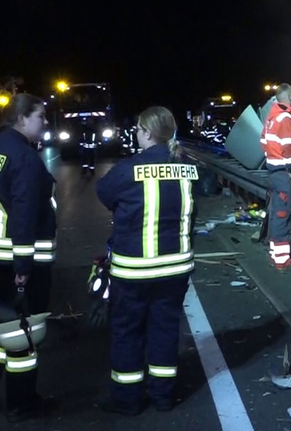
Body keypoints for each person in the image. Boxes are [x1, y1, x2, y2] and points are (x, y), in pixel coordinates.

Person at [96, 106, 195, 415]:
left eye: (138, 129)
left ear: (148, 133)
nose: (136, 134)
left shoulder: (127, 170)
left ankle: (128, 400)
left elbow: (104, 193)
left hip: (133, 270)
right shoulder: (188, 167)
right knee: (165, 330)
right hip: (176, 268)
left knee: (128, 332)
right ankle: (163, 396)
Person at [0, 93, 58, 423]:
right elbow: (23, 214)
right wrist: (23, 266)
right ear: (21, 119)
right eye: (40, 116)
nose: (45, 122)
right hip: (21, 258)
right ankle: (22, 403)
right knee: (25, 334)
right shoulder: (25, 158)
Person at [260, 83, 291, 269]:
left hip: (274, 170)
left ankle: (275, 253)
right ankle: (282, 260)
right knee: (283, 214)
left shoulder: (272, 117)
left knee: (278, 211)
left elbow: (263, 141)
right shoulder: (285, 118)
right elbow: (288, 146)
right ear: (290, 97)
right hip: (284, 173)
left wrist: (272, 158)